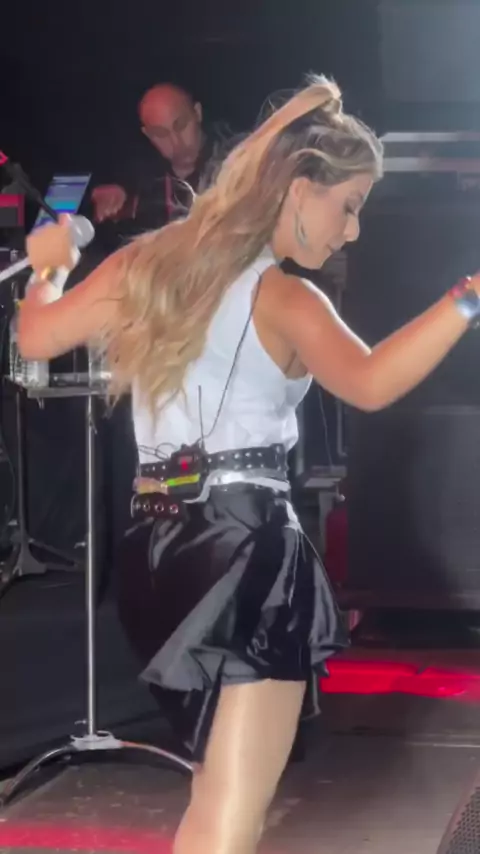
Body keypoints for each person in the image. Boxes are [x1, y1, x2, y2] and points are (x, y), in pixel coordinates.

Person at [17, 75, 480, 854]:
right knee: (229, 817)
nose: (351, 231)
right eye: (348, 205)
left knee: (219, 800)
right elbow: (370, 383)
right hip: (245, 548)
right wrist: (468, 297)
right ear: (299, 189)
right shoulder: (283, 296)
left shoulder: (148, 264)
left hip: (157, 552)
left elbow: (34, 337)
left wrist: (46, 270)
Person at [91, 82, 229, 232]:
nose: (176, 142)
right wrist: (105, 201)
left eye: (181, 124)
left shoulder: (235, 158)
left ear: (198, 112)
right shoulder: (139, 179)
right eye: (161, 133)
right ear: (148, 135)